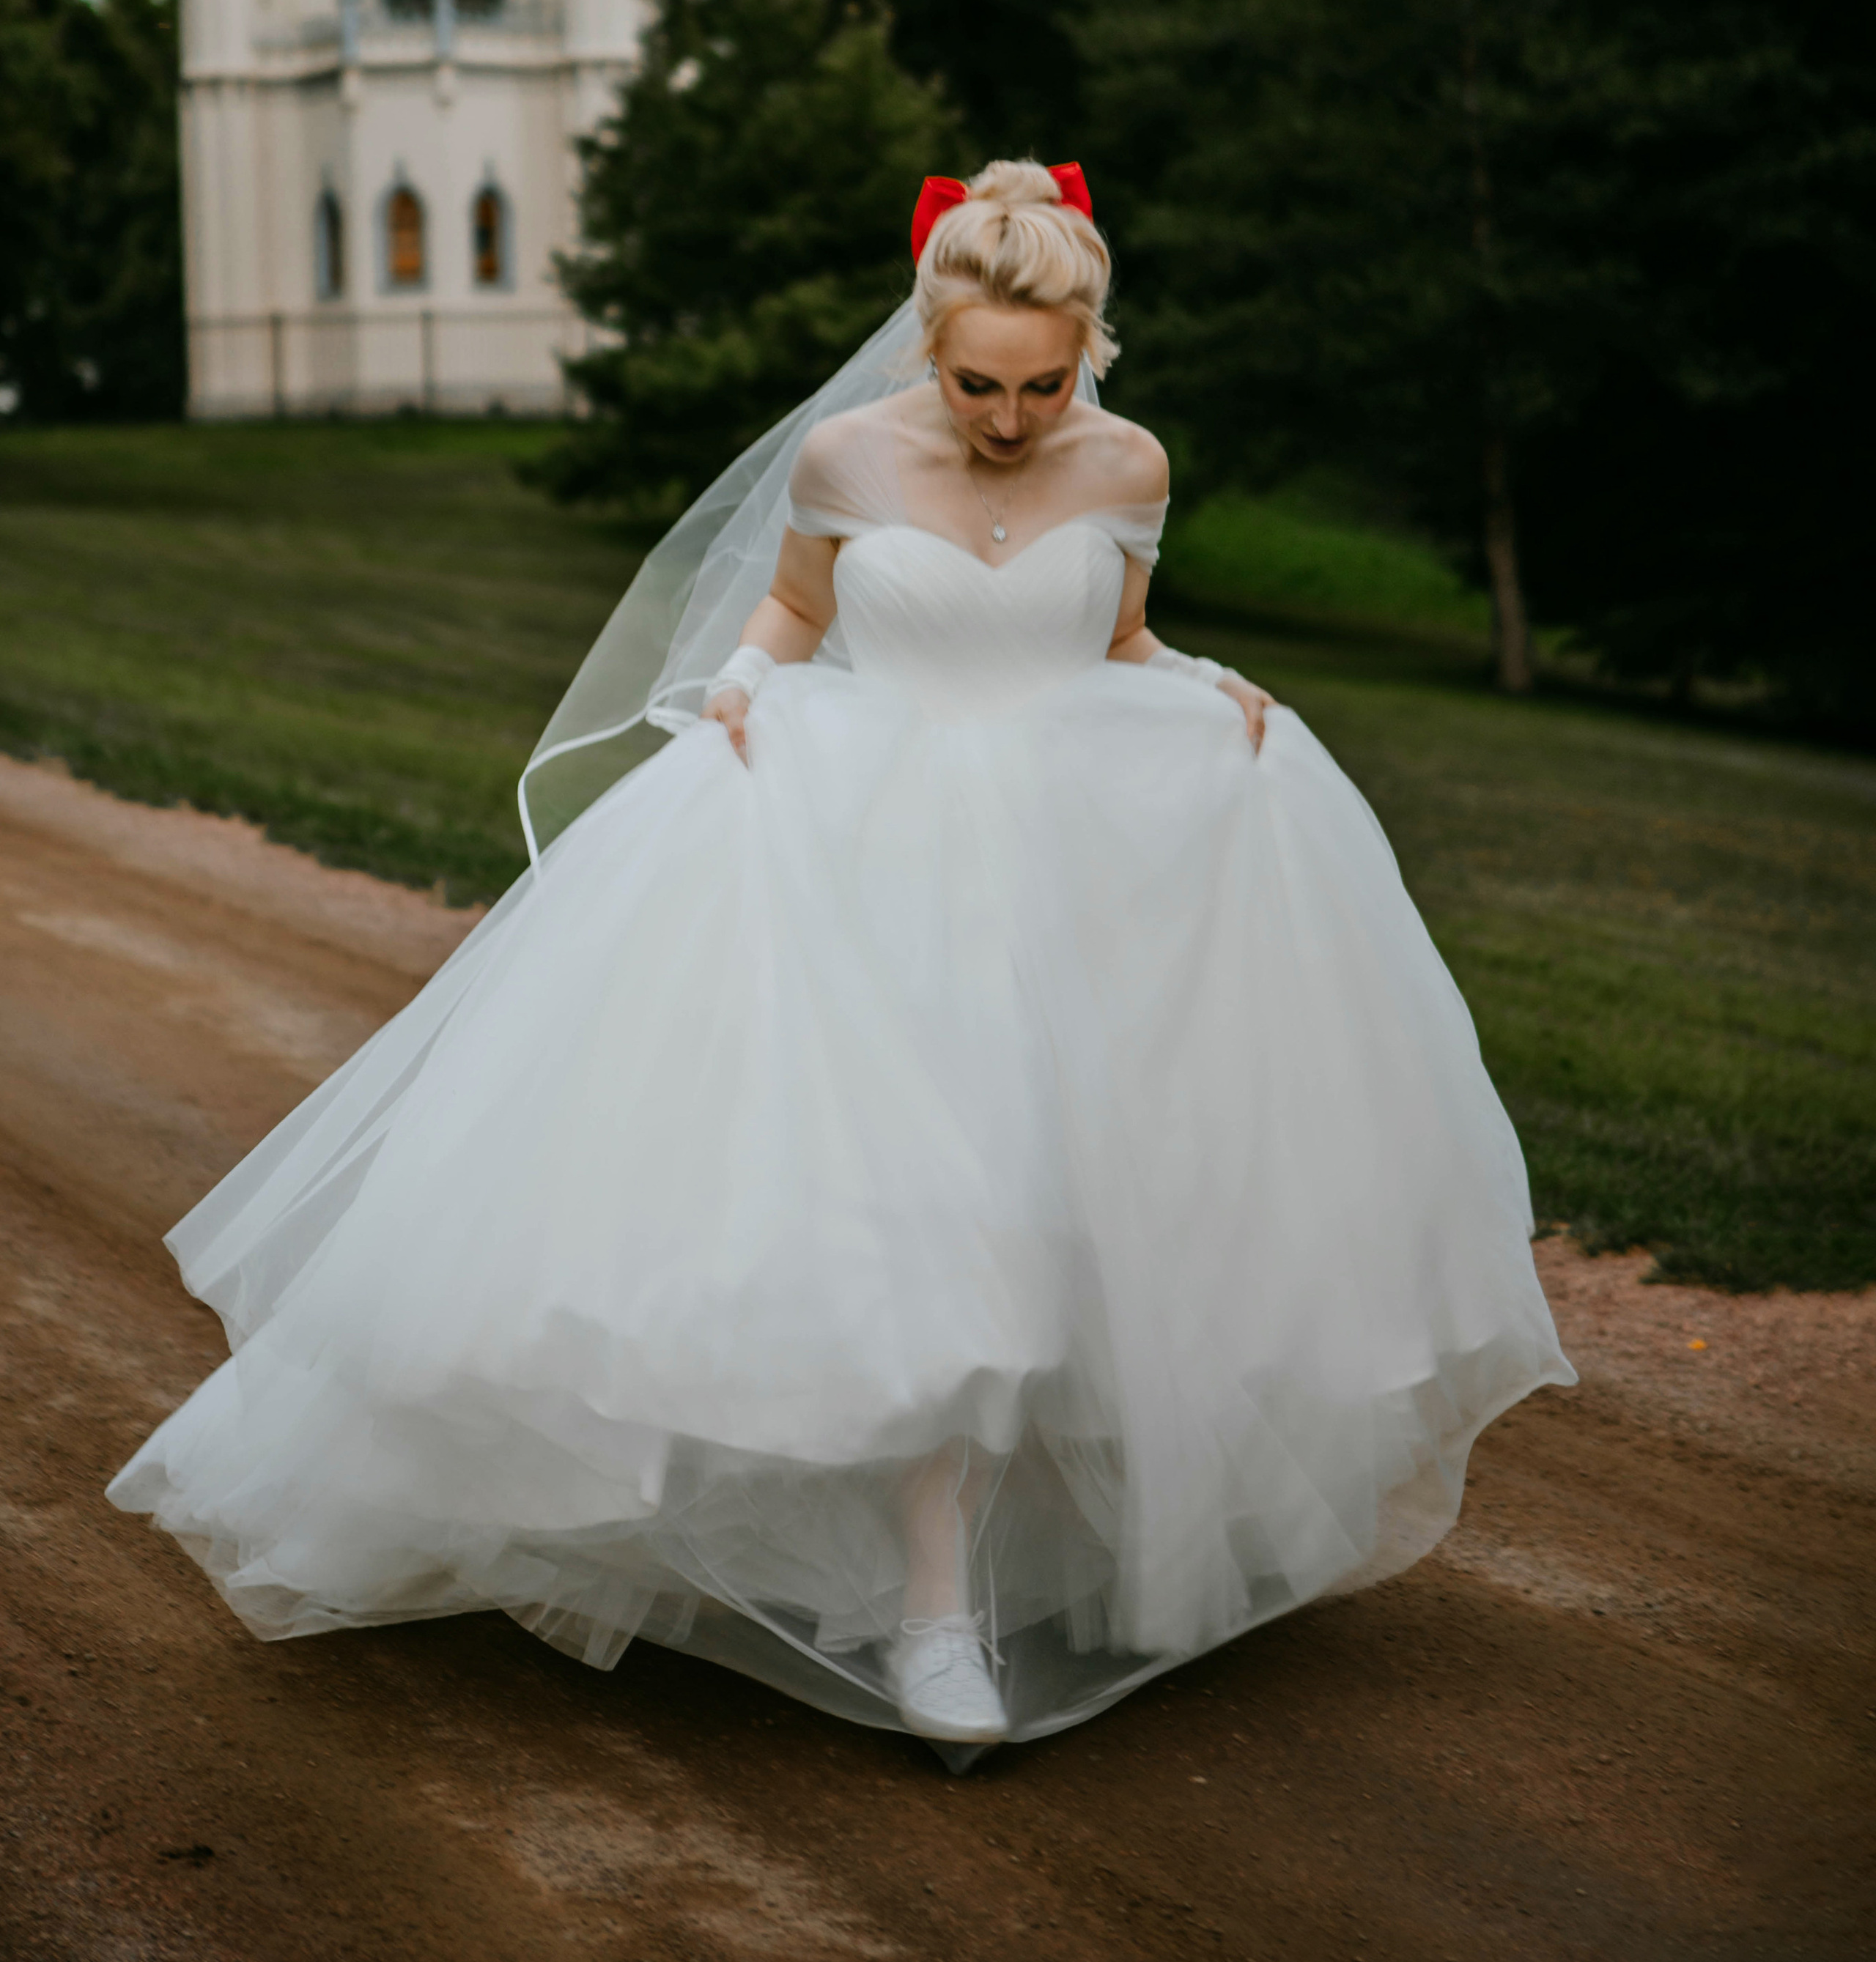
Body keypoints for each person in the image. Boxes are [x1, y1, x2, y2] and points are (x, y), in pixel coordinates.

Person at [109, 160, 1573, 1763]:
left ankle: (1075, 1558)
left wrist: (1210, 686)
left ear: (1089, 348)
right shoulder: (843, 454)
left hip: (1082, 854)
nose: (1007, 419)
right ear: (922, 347)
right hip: (869, 843)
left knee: (1097, 1208)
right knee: (917, 1226)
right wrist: (735, 687)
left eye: (1042, 383)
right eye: (973, 384)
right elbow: (795, 614)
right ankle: (935, 1616)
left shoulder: (1132, 461)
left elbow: (1120, 638)